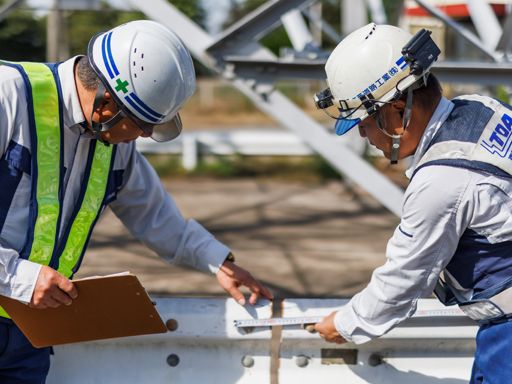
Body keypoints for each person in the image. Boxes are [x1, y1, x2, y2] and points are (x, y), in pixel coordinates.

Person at [0, 20, 272, 383]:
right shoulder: (8, 96)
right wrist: (18, 277)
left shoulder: (112, 140)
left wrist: (218, 262)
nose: (144, 135)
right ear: (106, 103)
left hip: (29, 332)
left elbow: (156, 217)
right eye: (142, 124)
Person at [313, 23, 512, 383]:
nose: (362, 133)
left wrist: (345, 324)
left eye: (363, 121)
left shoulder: (442, 180)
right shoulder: (481, 108)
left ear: (397, 110)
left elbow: (405, 278)